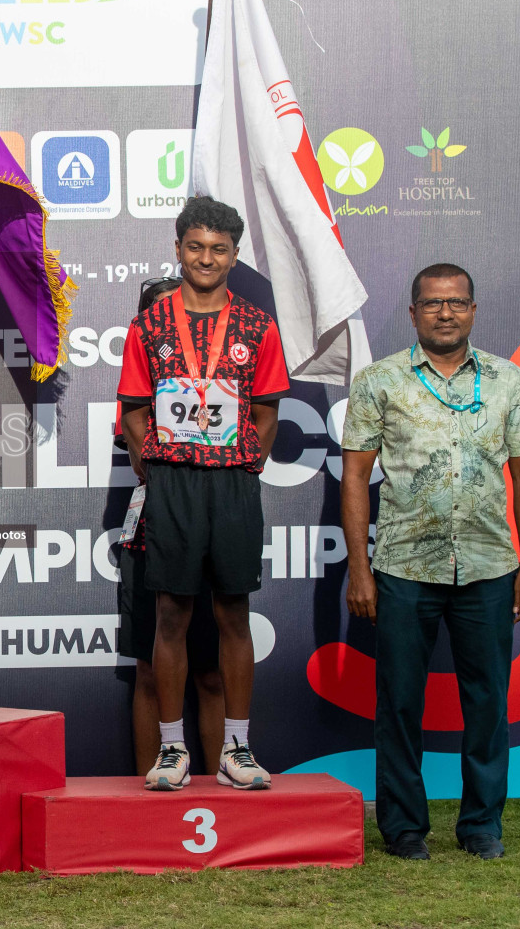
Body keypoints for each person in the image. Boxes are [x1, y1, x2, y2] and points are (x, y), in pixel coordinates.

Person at [340, 262, 520, 861]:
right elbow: (355, 477)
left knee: (487, 702)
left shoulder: (508, 380)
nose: (445, 312)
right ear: (413, 313)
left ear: (473, 311)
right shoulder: (380, 381)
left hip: (489, 566)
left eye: (456, 303)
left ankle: (483, 825)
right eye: (432, 304)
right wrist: (361, 569)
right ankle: (404, 829)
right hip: (404, 567)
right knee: (400, 702)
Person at [117, 196, 287, 791]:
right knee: (170, 615)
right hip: (173, 483)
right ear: (178, 248)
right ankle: (171, 749)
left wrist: (247, 464)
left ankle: (238, 748)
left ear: (234, 256)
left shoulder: (256, 325)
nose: (206, 258)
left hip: (232, 483)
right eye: (195, 247)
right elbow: (134, 410)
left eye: (218, 249)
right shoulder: (150, 324)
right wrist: (154, 467)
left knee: (233, 613)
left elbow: (266, 408)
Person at [115, 276, 226, 779]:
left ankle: (224, 775)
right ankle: (149, 786)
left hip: (213, 530)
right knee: (149, 672)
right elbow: (145, 457)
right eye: (163, 319)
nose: (180, 331)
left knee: (210, 671)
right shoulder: (136, 394)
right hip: (151, 536)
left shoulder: (220, 380)